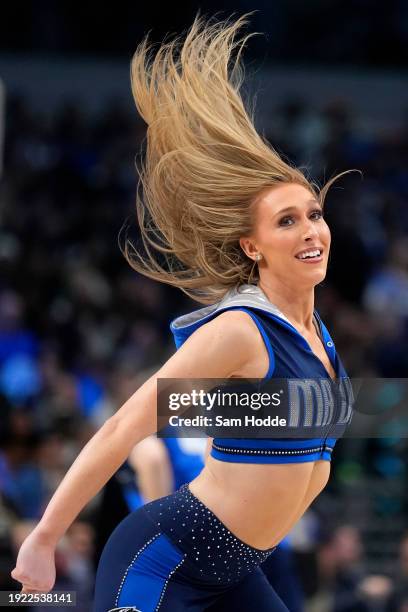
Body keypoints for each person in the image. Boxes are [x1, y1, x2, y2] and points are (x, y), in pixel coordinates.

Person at [11, 14, 354, 611]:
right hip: (164, 557)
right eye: (287, 221)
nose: (311, 230)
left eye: (315, 213)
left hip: (237, 572)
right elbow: (124, 428)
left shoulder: (318, 336)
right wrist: (44, 538)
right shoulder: (242, 332)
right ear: (252, 247)